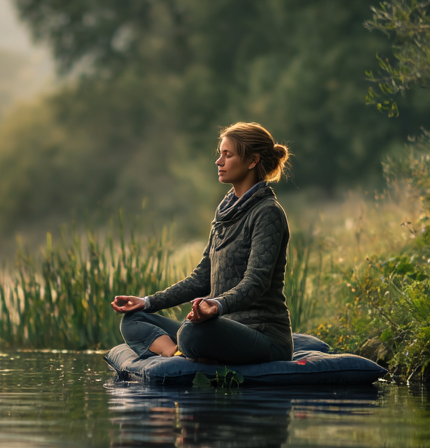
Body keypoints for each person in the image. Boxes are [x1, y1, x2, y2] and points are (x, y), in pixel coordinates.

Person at [111, 122, 293, 365]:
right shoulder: (225, 211)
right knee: (134, 319)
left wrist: (216, 305)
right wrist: (147, 302)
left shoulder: (268, 212)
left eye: (228, 155)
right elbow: (201, 279)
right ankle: (176, 354)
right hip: (221, 328)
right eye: (220, 154)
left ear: (252, 161)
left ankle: (188, 351)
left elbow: (256, 282)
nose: (219, 161)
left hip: (262, 335)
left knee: (192, 331)